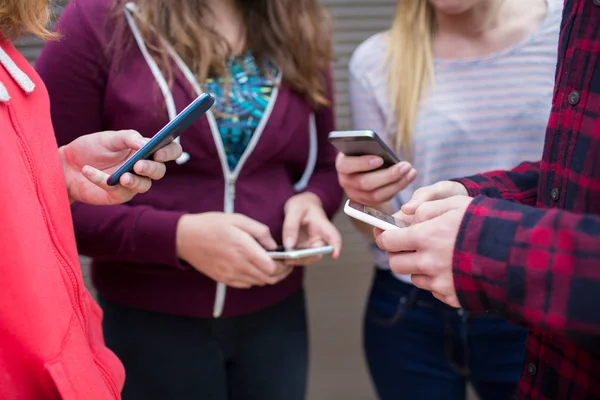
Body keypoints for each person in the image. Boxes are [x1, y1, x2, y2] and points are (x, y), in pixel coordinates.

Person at [36, 0, 343, 399]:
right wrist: (178, 236)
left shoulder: (296, 20)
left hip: (277, 317)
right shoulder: (101, 19)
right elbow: (47, 194)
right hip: (150, 323)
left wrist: (313, 202)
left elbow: (323, 166)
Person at [335, 0, 562, 398]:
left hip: (528, 300)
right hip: (412, 310)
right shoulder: (376, 61)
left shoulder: (565, 29)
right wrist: (365, 199)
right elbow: (377, 233)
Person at [0, 0, 182, 398]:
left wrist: (56, 172)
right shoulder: (94, 20)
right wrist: (178, 236)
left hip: (70, 367)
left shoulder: (9, 62)